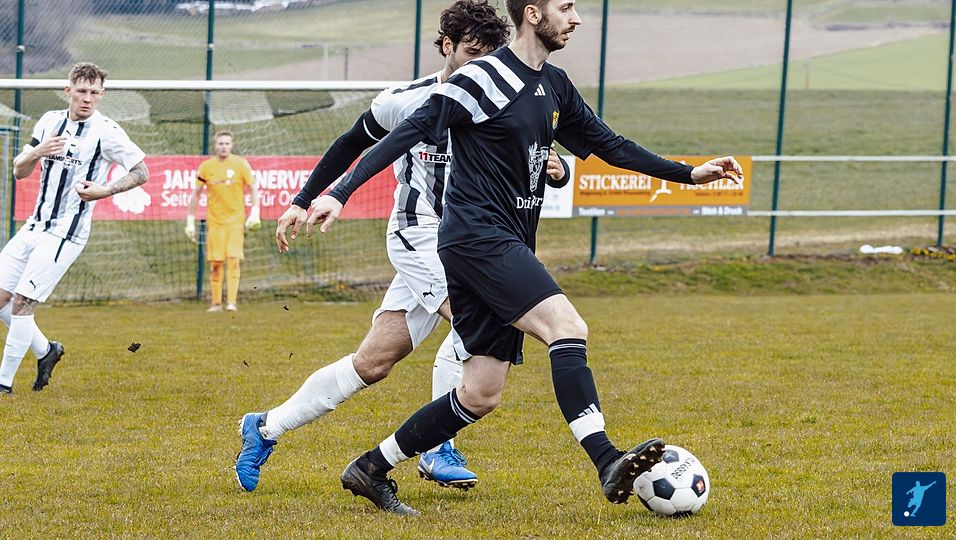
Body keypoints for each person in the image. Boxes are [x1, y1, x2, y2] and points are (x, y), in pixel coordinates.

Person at [308, 0, 744, 515]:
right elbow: (406, 132)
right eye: (566, 7)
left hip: (499, 239)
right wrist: (340, 192)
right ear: (533, 14)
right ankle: (607, 459)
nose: (576, 18)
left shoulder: (554, 84)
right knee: (567, 328)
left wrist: (688, 174)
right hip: (478, 239)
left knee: (480, 393)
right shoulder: (482, 78)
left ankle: (370, 468)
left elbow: (610, 144)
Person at [233, 0, 538, 493]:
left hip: (470, 241)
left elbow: (533, 158)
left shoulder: (501, 100)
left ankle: (264, 427)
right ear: (446, 46)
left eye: (488, 56)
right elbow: (350, 143)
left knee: (373, 362)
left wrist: (554, 169)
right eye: (470, 52)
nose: (479, 65)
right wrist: (304, 199)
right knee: (475, 321)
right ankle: (438, 449)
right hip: (418, 234)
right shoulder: (405, 101)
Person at [0, 62, 149, 394]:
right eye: (81, 91)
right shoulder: (49, 121)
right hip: (35, 225)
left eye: (94, 92)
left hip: (66, 233)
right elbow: (19, 171)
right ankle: (46, 350)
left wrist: (104, 190)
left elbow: (142, 172)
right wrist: (39, 151)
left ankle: (3, 384)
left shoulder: (106, 131)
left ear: (102, 94)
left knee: (23, 302)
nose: (87, 98)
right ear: (68, 91)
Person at [185, 130, 261, 312]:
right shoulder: (206, 167)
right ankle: (216, 303)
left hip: (235, 221)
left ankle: (232, 302)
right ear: (215, 145)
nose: (224, 147)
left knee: (233, 259)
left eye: (227, 143)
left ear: (231, 145)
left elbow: (253, 188)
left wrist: (255, 212)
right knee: (216, 262)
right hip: (215, 222)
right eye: (220, 143)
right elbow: (196, 194)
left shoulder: (241, 164)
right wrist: (190, 220)